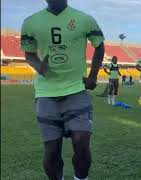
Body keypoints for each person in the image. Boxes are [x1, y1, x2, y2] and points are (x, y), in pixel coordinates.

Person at [20, 0, 105, 179]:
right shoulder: (30, 23)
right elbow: (28, 53)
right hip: (46, 94)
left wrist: (93, 76)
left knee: (82, 141)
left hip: (77, 91)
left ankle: (81, 178)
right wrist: (39, 67)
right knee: (52, 150)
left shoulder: (84, 19)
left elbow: (99, 45)